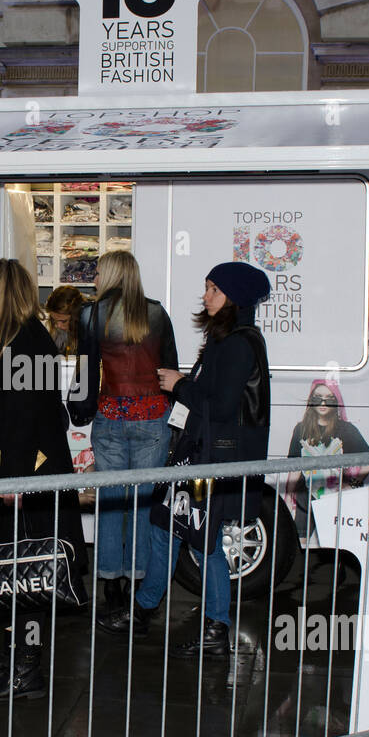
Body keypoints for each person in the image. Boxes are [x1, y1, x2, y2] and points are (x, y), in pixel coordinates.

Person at [99, 261, 272, 658]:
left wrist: (181, 385)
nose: (206, 296)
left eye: (214, 289)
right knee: (165, 527)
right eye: (207, 287)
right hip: (196, 456)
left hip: (212, 461)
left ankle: (216, 626)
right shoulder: (225, 339)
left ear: (235, 297)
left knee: (202, 541)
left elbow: (223, 407)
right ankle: (143, 609)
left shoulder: (238, 343)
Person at [0, 259, 86, 700]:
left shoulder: (24, 342)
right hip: (14, 472)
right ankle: (16, 655)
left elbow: (24, 420)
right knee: (13, 573)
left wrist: (13, 482)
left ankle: (26, 667)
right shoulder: (17, 339)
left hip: (21, 477)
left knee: (29, 576)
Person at [77, 250, 178, 612]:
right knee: (142, 501)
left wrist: (79, 411)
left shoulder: (91, 314)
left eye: (99, 272)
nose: (95, 279)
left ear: (114, 274)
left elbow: (86, 374)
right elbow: (171, 370)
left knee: (110, 502)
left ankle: (109, 580)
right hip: (152, 416)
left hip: (110, 416)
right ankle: (137, 577)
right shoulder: (156, 313)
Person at [285, 380, 369, 534]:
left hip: (337, 500)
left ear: (336, 401)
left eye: (329, 398)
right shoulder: (301, 429)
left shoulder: (346, 429)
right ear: (311, 400)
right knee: (301, 543)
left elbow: (368, 461)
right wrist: (287, 498)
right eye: (318, 397)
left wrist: (352, 485)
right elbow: (295, 468)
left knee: (333, 543)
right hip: (306, 496)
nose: (323, 403)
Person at [43, 284, 85, 357]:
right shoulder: (54, 332)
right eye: (54, 320)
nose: (58, 326)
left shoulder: (90, 336)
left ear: (76, 318)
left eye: (63, 321)